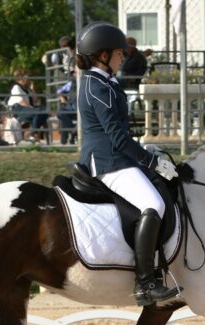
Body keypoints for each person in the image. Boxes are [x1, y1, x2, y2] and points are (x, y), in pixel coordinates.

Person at [76, 21, 181, 306]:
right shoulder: (97, 86)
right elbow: (117, 138)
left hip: (117, 156)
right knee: (155, 205)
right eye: (119, 52)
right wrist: (151, 161)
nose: (124, 56)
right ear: (102, 55)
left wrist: (146, 148)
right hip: (109, 162)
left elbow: (121, 134)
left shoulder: (103, 82)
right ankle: (145, 283)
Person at [7, 69, 49, 142]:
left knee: (44, 112)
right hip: (18, 109)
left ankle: (32, 132)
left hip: (27, 109)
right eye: (27, 77)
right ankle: (32, 133)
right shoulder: (16, 87)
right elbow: (21, 101)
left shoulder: (27, 89)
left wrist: (32, 90)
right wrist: (32, 108)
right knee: (38, 112)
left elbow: (36, 100)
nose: (28, 79)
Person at [56, 77, 77, 144]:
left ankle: (64, 141)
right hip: (73, 108)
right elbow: (59, 91)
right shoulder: (72, 82)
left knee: (63, 117)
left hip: (83, 109)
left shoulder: (88, 79)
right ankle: (73, 130)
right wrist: (62, 97)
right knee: (61, 113)